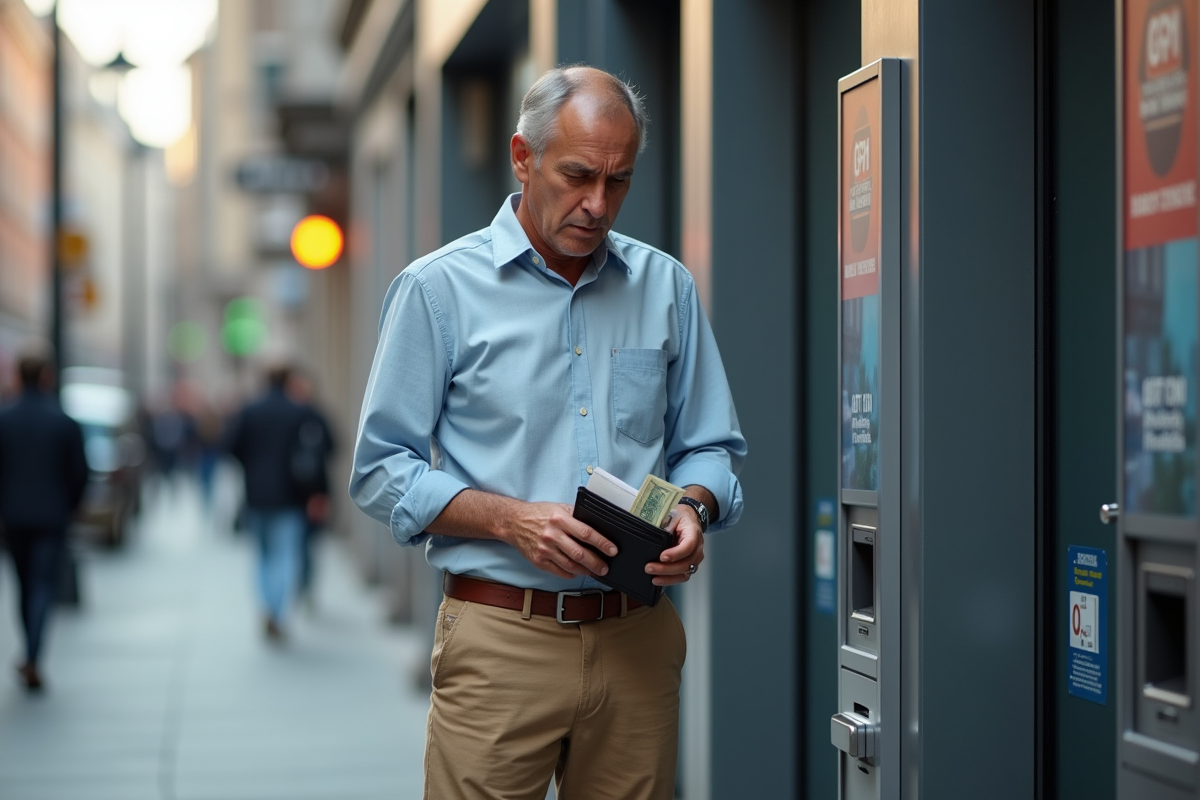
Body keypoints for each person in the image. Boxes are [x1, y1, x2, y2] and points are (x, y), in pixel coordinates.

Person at [350, 65, 746, 799]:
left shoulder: (666, 288)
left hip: (638, 640)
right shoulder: (437, 290)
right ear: (523, 157)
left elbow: (711, 445)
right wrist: (510, 520)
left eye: (618, 181)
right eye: (578, 175)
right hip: (501, 638)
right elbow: (379, 468)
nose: (598, 205)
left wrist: (694, 506)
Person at [0, 353, 89, 691]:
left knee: (24, 585)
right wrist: (73, 505)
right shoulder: (63, 421)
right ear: (47, 377)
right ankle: (34, 655)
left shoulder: (4, 418)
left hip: (14, 517)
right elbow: (80, 473)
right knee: (42, 586)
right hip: (52, 516)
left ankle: (30, 653)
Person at [225, 364, 310, 642]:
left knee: (262, 555)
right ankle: (278, 611)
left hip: (257, 496)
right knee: (286, 555)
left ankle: (266, 607)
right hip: (290, 496)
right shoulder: (298, 412)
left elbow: (231, 447)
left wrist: (251, 469)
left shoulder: (250, 411)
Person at [285, 369, 334, 606]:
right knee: (294, 543)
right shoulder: (286, 417)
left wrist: (320, 495)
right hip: (288, 496)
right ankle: (296, 584)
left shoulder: (316, 418)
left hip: (312, 495)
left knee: (308, 545)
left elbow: (333, 447)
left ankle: (305, 585)